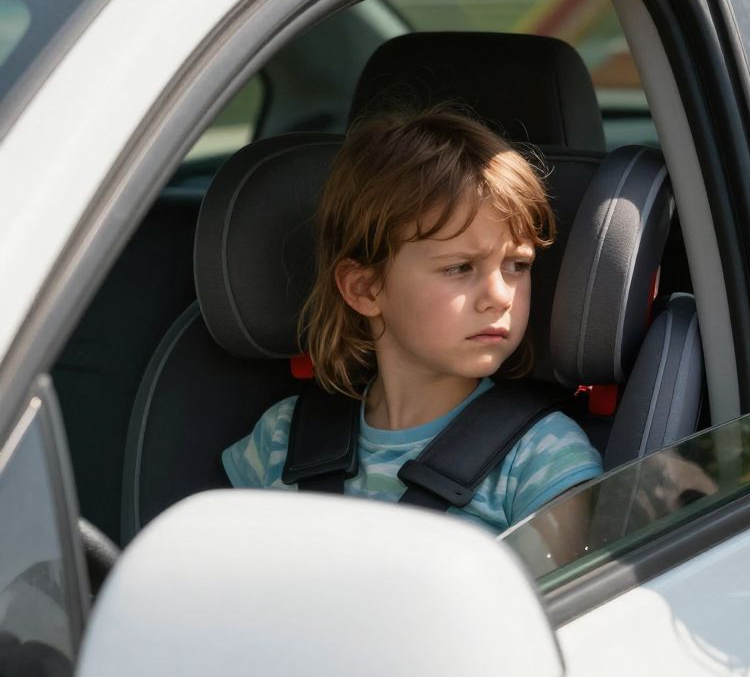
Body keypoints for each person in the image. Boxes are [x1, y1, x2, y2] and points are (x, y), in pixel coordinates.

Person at [223, 105, 602, 531]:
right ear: (365, 289)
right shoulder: (281, 437)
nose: (500, 296)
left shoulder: (542, 459)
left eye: (517, 265)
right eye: (459, 268)